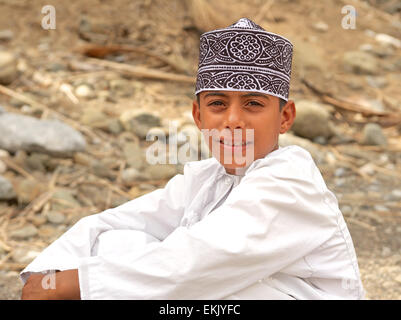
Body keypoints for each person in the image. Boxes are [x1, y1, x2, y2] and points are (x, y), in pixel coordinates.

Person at [20, 18, 365, 300]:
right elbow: (115, 223)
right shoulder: (208, 177)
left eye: (253, 104)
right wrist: (47, 273)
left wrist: (70, 286)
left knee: (221, 289)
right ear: (198, 117)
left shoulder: (291, 183)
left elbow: (197, 262)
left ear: (285, 117)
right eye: (217, 104)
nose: (232, 120)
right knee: (119, 242)